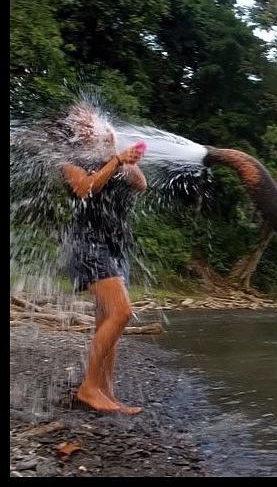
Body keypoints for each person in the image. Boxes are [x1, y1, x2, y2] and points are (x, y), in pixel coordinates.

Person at [59, 101, 148, 414]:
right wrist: (115, 161)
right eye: (83, 123)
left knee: (106, 321)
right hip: (87, 245)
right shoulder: (68, 159)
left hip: (114, 245)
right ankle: (88, 389)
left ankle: (105, 393)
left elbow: (140, 184)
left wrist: (124, 159)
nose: (90, 125)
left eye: (92, 120)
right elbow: (85, 188)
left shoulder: (110, 156)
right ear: (75, 131)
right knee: (121, 313)